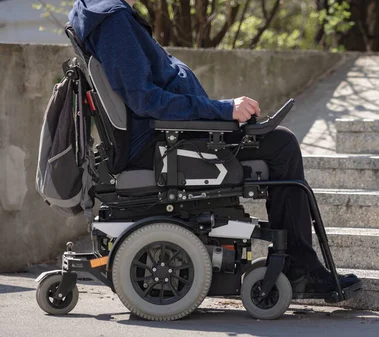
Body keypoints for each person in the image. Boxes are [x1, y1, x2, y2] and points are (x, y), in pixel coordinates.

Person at [68, 0, 359, 293]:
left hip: (168, 138)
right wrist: (222, 110)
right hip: (164, 145)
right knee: (280, 145)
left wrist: (219, 113)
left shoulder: (97, 13)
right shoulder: (113, 21)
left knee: (276, 140)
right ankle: (300, 268)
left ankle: (299, 264)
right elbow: (146, 101)